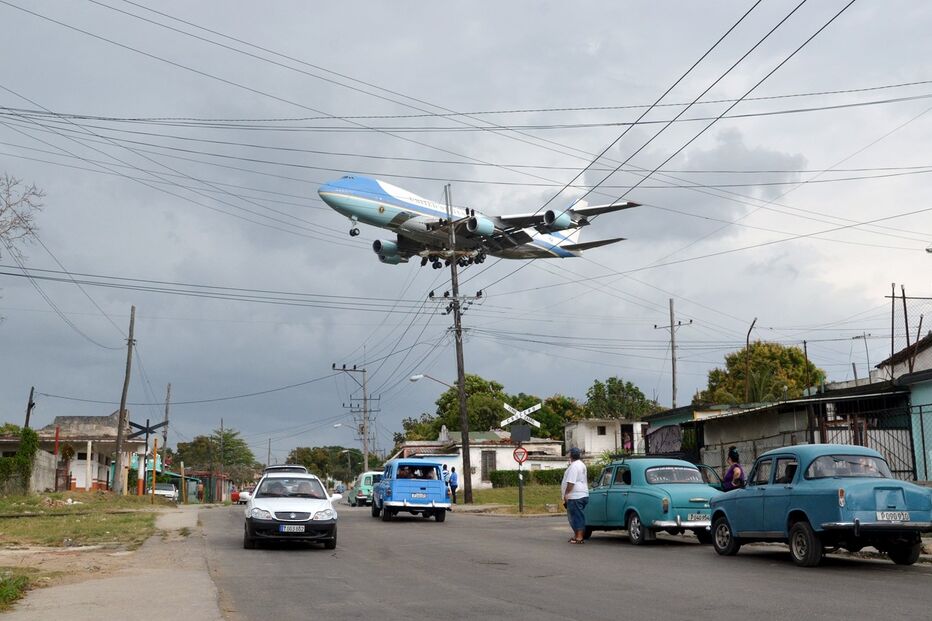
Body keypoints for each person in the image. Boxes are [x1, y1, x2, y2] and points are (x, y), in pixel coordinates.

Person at [561, 447, 589, 544]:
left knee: (576, 516)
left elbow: (571, 482)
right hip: (583, 494)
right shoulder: (581, 464)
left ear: (571, 455)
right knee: (576, 516)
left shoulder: (574, 466)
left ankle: (579, 537)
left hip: (575, 495)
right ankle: (576, 535)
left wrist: (566, 493)